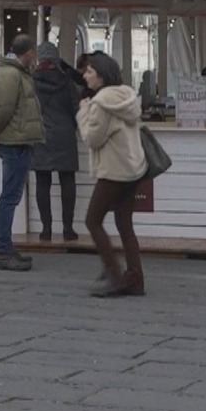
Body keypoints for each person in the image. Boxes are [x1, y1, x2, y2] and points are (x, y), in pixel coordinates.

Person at [77, 53, 147, 297]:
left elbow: (93, 139)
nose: (85, 76)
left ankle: (114, 275)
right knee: (124, 223)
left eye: (89, 71)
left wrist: (83, 113)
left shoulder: (101, 103)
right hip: (133, 169)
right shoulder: (127, 96)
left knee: (92, 220)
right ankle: (135, 278)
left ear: (101, 74)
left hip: (113, 171)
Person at [0, 34, 44, 271]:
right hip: (14, 142)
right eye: (33, 53)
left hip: (17, 140)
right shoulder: (11, 74)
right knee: (9, 197)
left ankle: (5, 247)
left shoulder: (13, 73)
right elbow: (2, 110)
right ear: (28, 52)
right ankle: (3, 250)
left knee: (10, 196)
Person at [31, 43, 81, 242]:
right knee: (67, 181)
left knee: (43, 182)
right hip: (64, 135)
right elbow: (76, 109)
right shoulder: (66, 81)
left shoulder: (31, 82)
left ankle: (46, 229)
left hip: (40, 135)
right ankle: (68, 229)